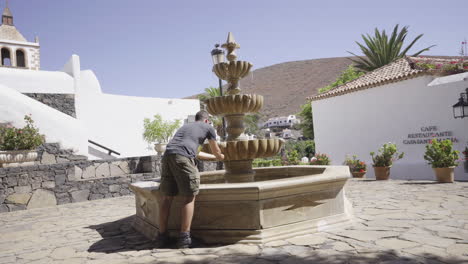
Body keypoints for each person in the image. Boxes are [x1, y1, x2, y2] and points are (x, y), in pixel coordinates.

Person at [156, 110, 224, 248]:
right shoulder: (208, 127)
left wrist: (213, 157)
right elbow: (216, 150)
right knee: (188, 197)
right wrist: (221, 157)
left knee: (167, 198)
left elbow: (196, 153)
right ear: (206, 120)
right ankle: (184, 238)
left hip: (168, 156)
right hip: (182, 157)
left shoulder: (185, 128)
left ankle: (162, 236)